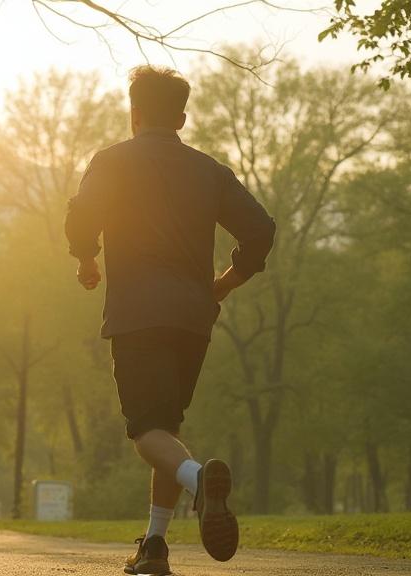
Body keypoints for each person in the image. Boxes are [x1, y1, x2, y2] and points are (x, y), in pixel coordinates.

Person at [64, 65, 275, 575]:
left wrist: (85, 259)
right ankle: (154, 549)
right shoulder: (209, 171)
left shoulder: (113, 161)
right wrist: (223, 283)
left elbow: (81, 216)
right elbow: (261, 230)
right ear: (181, 117)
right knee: (166, 430)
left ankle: (199, 479)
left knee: (146, 433)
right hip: (192, 319)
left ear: (134, 114)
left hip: (138, 314)